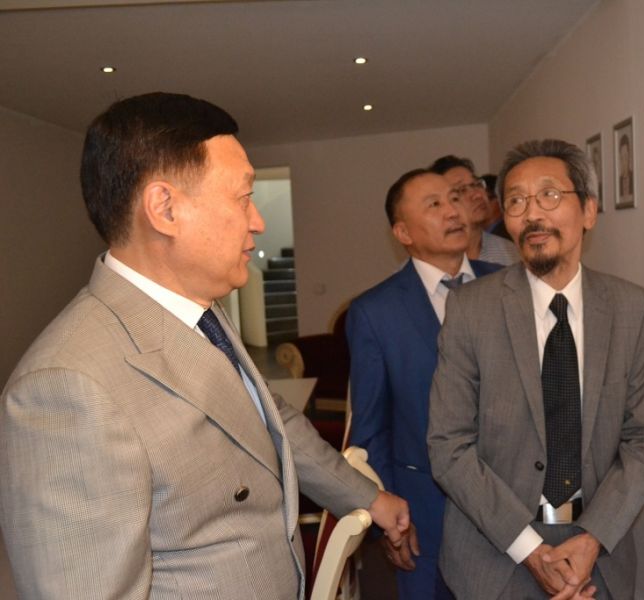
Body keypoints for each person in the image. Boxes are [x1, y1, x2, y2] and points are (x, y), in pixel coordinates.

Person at [0, 92, 411, 599]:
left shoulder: (201, 310)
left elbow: (267, 419)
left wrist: (368, 497)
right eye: (242, 197)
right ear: (165, 209)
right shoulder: (64, 389)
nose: (257, 220)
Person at [428, 139, 644, 599]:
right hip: (495, 555)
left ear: (589, 211)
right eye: (516, 201)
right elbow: (448, 446)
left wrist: (593, 538)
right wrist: (530, 549)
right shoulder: (470, 309)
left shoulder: (631, 307)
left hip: (598, 555)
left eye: (549, 195)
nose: (532, 214)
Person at [347, 168, 501, 599]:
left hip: (511, 509)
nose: (452, 210)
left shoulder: (509, 286)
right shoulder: (375, 312)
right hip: (427, 514)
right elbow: (371, 429)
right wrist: (391, 519)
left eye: (454, 198)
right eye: (434, 204)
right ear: (403, 233)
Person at [430, 154, 519, 265]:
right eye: (462, 190)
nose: (477, 195)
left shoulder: (510, 252)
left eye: (476, 184)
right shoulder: (431, 259)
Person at [482, 173, 513, 241]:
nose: (480, 204)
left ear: (500, 200)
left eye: (488, 198)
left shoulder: (506, 236)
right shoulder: (477, 234)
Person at [617, 134, 634, 203]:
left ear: (629, 157)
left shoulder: (633, 178)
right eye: (622, 157)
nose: (624, 162)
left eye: (626, 156)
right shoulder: (618, 182)